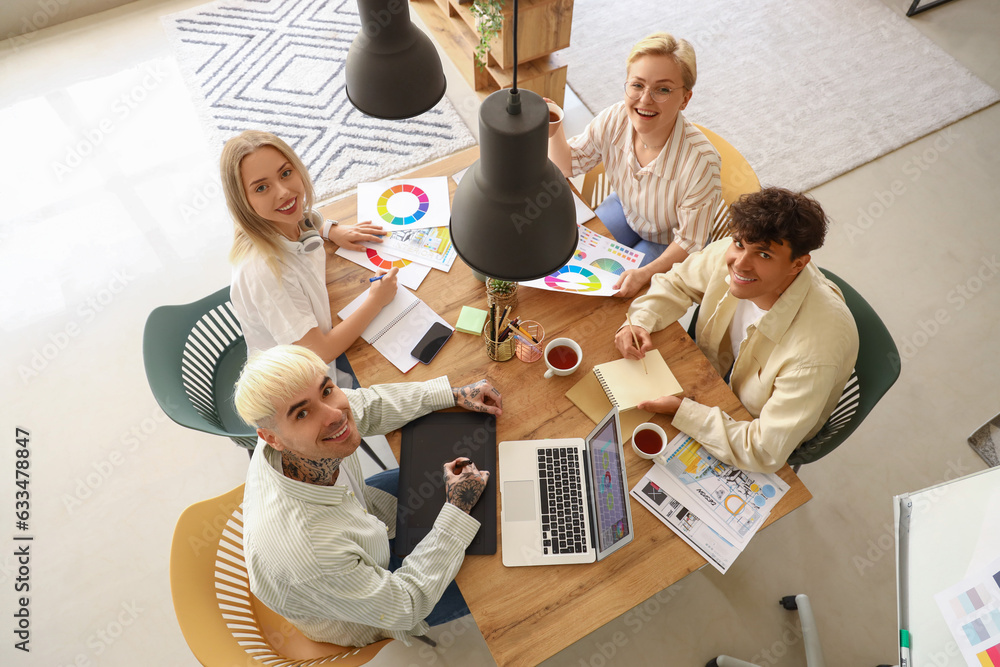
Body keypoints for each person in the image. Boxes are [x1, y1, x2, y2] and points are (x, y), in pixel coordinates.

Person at [233, 345, 502, 647]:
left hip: (363, 516)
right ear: (271, 439)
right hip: (364, 608)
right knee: (498, 577)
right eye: (303, 413)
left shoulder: (292, 435)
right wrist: (457, 509)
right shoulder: (313, 554)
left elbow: (367, 405)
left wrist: (451, 394)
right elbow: (405, 605)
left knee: (489, 491)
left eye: (326, 391)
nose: (335, 415)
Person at [615, 188, 859, 473]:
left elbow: (764, 450)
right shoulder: (737, 252)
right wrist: (642, 320)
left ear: (798, 264)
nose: (740, 264)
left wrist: (682, 411)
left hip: (748, 425)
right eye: (739, 244)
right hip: (712, 380)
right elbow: (677, 282)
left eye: (764, 255)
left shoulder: (815, 353)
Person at [547, 32, 722, 298]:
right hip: (627, 209)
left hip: (669, 238)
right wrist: (553, 127)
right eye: (637, 85)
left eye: (662, 89)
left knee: (614, 292)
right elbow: (569, 164)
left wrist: (644, 274)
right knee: (568, 259)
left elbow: (690, 241)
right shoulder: (614, 118)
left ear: (685, 99)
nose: (645, 99)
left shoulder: (701, 164)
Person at [223, 130, 397, 388]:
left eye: (285, 173)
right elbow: (320, 353)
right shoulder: (266, 274)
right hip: (307, 382)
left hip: (320, 333)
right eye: (261, 187)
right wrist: (375, 301)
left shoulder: (283, 220)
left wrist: (329, 230)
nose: (283, 192)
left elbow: (303, 213)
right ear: (243, 201)